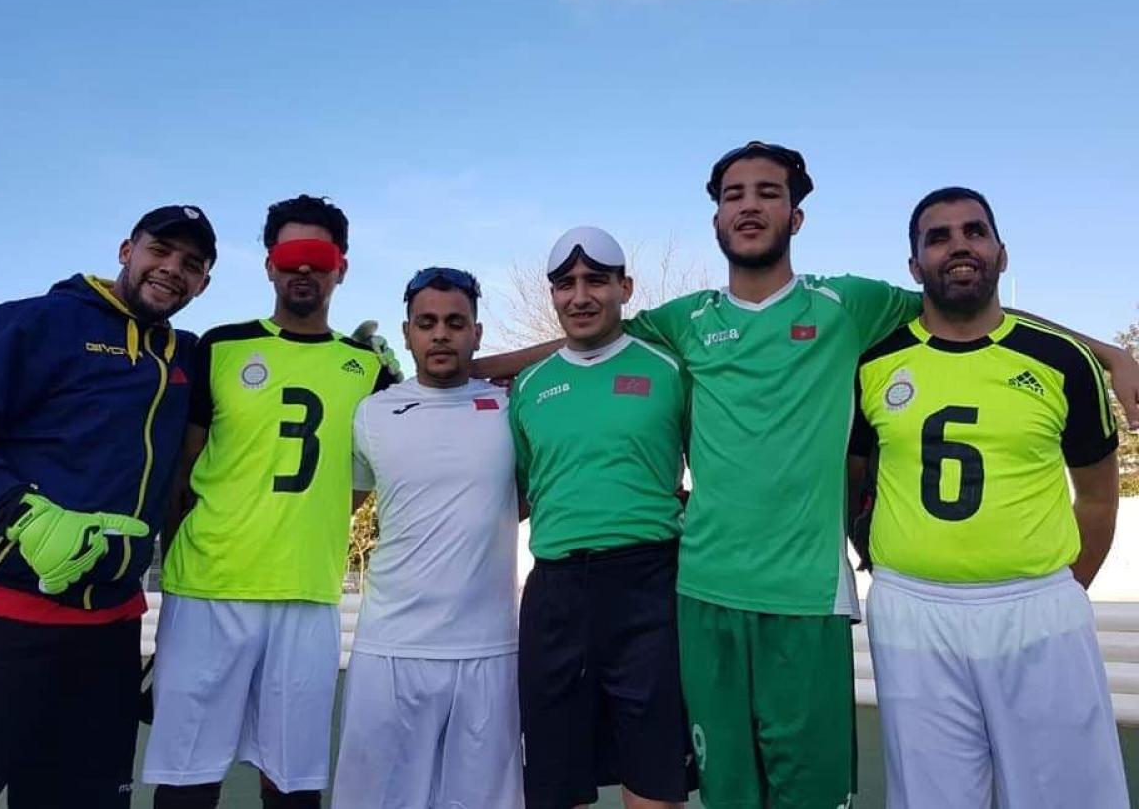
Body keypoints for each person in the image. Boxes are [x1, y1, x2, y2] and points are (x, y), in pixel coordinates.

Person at [474, 141, 1139, 808]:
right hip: (704, 595)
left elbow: (967, 303)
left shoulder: (847, 305)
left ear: (795, 216)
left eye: (768, 192)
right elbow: (584, 341)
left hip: (808, 598)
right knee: (728, 793)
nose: (750, 206)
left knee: (810, 796)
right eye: (734, 195)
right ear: (716, 220)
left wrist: (1107, 353)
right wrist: (479, 368)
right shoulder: (686, 322)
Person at [848, 187, 1130, 808]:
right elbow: (856, 479)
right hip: (912, 609)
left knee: (1066, 794)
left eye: (974, 232)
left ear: (1001, 253)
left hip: (1035, 608)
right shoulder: (873, 360)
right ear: (915, 265)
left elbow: (1099, 501)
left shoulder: (1064, 361)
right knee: (932, 798)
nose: (959, 246)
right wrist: (882, 553)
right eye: (938, 237)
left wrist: (1053, 591)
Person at [0, 205, 215, 808]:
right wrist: (19, 512)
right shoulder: (35, 323)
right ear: (126, 250)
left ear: (204, 284)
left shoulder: (192, 356)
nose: (172, 269)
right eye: (160, 251)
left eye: (191, 264)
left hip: (105, 635)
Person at [142, 195, 396, 809]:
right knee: (186, 778)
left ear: (341, 266)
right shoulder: (219, 347)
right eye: (289, 256)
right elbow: (181, 468)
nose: (302, 270)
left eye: (318, 256)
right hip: (209, 587)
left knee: (292, 784)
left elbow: (363, 480)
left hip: (305, 595)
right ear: (268, 267)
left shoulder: (369, 369)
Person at [508, 228, 696, 809]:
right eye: (566, 284)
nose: (581, 296)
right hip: (556, 594)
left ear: (625, 288)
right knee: (555, 781)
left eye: (596, 281)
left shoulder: (669, 370)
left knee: (653, 779)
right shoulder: (529, 388)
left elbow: (711, 479)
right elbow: (516, 496)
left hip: (650, 592)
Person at [331, 267, 523, 808]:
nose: (441, 334)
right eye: (427, 323)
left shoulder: (512, 408)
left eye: (455, 322)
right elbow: (343, 508)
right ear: (408, 331)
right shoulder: (371, 413)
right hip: (389, 650)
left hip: (490, 651)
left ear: (477, 333)